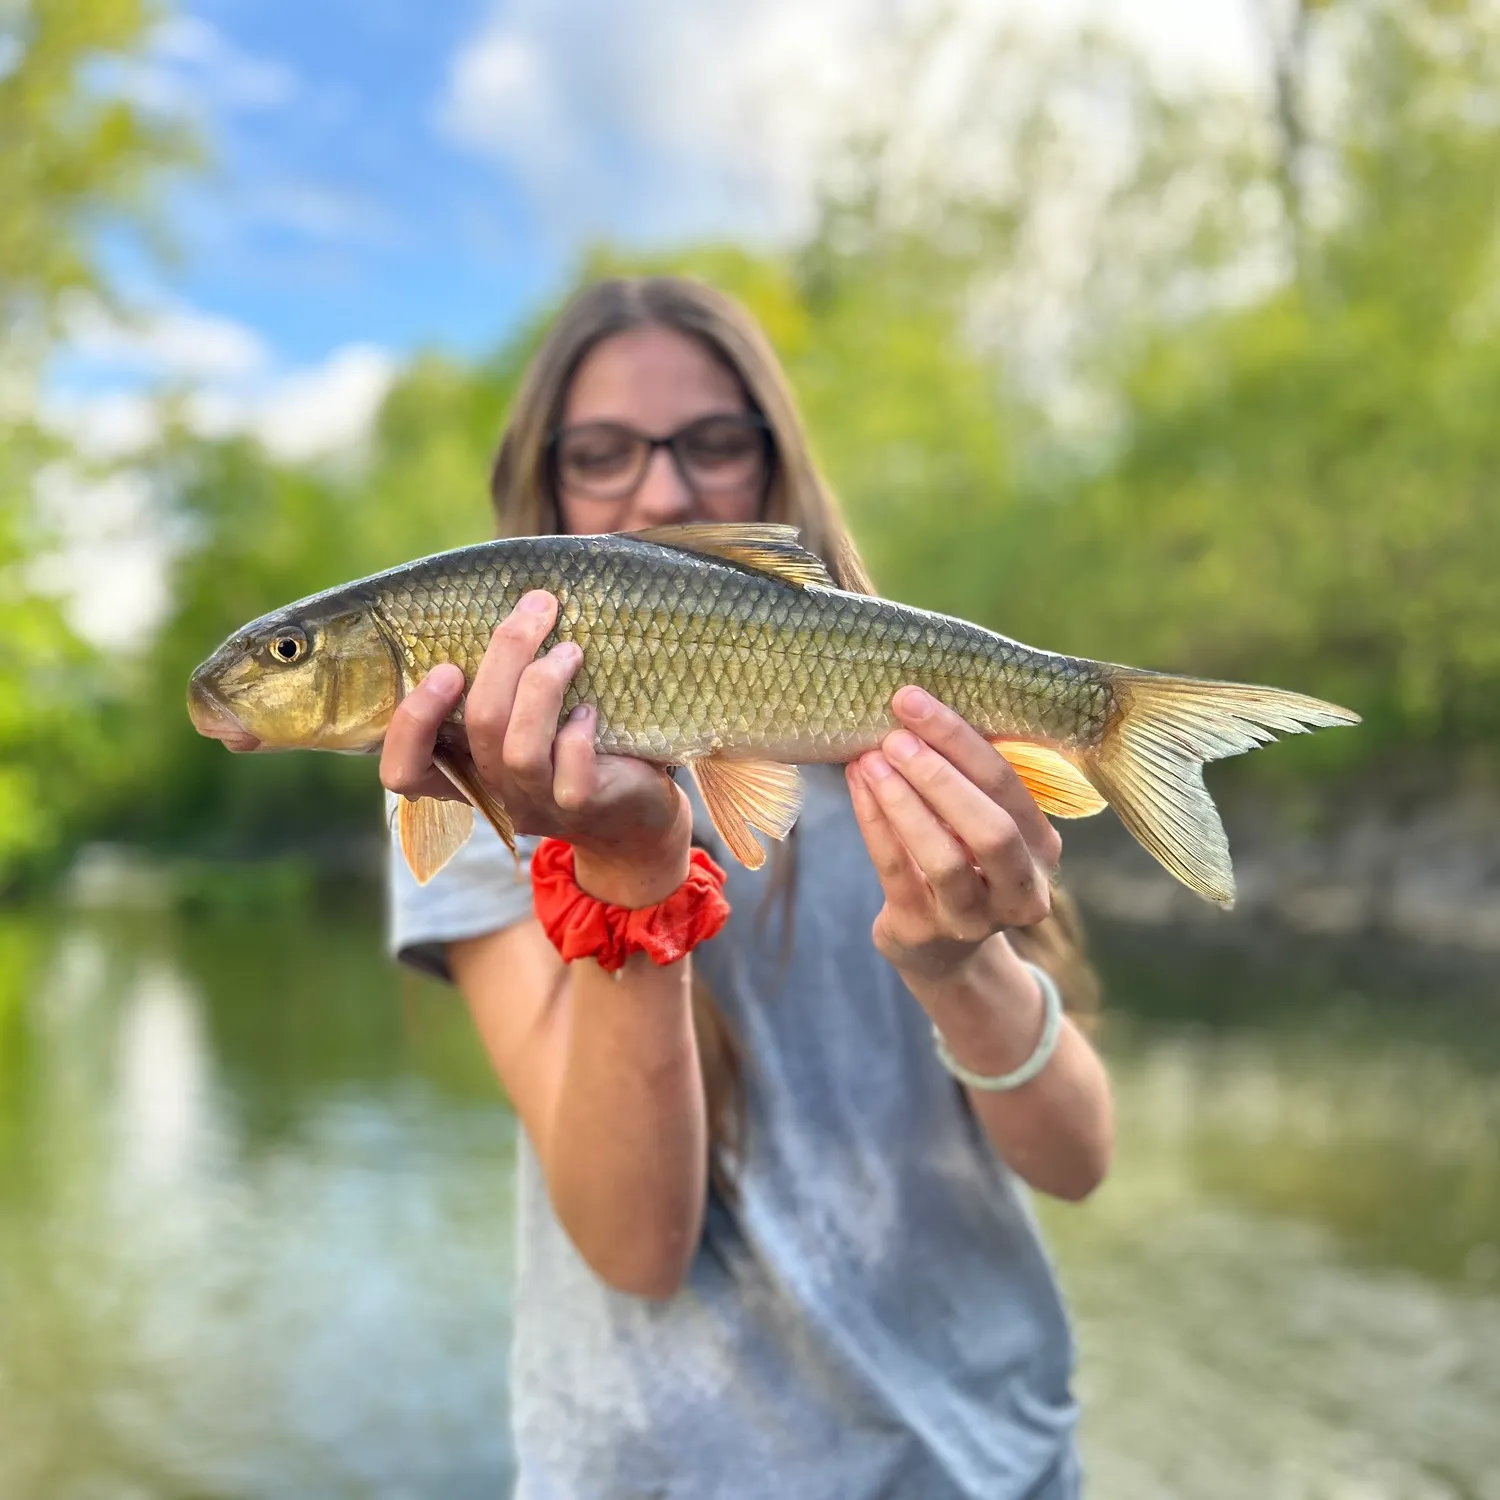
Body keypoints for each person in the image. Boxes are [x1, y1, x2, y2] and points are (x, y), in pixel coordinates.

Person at [380, 275, 1115, 1500]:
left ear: (780, 473)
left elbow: (1079, 1158)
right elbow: (636, 1246)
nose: (664, 491)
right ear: (545, 498)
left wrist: (957, 963)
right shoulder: (459, 780)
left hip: (992, 1467)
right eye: (604, 453)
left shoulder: (915, 738)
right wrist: (625, 880)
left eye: (714, 443)